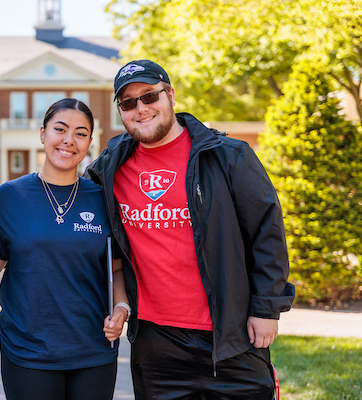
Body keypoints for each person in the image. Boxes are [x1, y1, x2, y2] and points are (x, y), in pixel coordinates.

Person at [85, 60, 296, 399]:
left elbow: (266, 233)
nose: (141, 109)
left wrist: (266, 309)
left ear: (170, 95)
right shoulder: (109, 170)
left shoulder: (227, 156)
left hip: (232, 336)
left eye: (150, 96)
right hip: (157, 345)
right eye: (128, 102)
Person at [0, 98, 130, 400]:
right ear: (42, 133)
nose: (69, 140)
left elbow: (115, 267)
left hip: (94, 348)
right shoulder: (8, 197)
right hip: (27, 351)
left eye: (80, 133)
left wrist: (121, 309)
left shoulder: (104, 199)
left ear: (90, 142)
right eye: (60, 129)